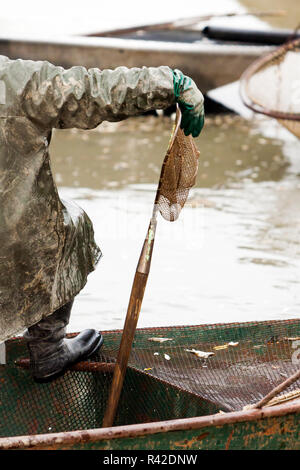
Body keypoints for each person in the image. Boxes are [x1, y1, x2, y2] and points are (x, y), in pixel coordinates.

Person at [0, 55, 204, 382]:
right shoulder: (15, 81)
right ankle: (47, 347)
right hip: (10, 247)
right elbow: (96, 91)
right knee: (69, 226)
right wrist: (172, 83)